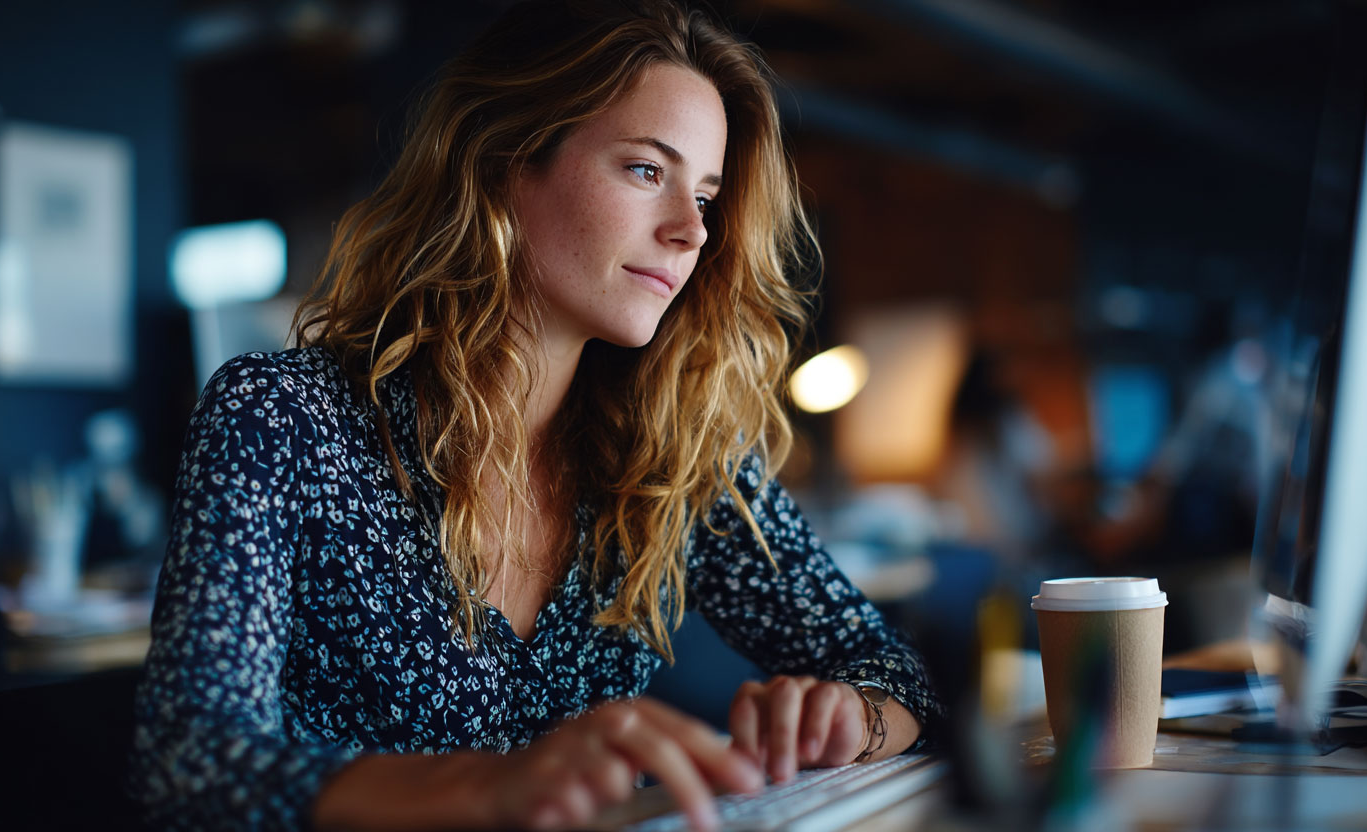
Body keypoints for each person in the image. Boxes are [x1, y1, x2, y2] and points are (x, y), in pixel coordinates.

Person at [128, 1, 942, 829]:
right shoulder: (281, 417)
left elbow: (895, 673)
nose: (691, 230)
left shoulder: (677, 449)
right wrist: (486, 788)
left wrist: (851, 716)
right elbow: (190, 761)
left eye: (705, 194)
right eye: (646, 171)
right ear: (505, 162)